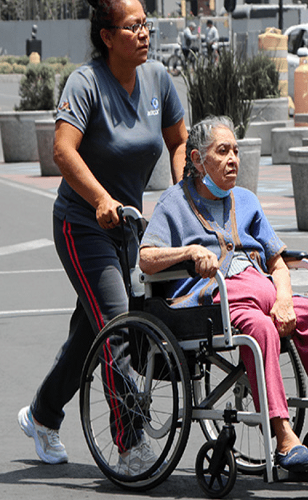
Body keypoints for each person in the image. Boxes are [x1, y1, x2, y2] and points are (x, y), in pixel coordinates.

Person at [139, 116, 308, 473]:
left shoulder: (246, 200)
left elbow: (277, 262)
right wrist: (188, 252)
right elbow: (146, 258)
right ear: (198, 159)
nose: (233, 160)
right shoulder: (174, 202)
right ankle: (284, 438)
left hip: (265, 292)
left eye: (236, 151)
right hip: (217, 300)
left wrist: (284, 299)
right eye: (223, 151)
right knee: (261, 330)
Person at [17, 0, 188, 474]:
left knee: (90, 333)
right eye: (133, 26)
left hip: (129, 228)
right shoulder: (86, 83)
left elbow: (179, 141)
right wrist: (99, 199)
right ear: (107, 37)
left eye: (146, 24)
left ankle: (42, 415)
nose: (144, 33)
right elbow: (63, 150)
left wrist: (181, 197)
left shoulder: (158, 79)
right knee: (118, 325)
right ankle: (129, 445)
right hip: (83, 224)